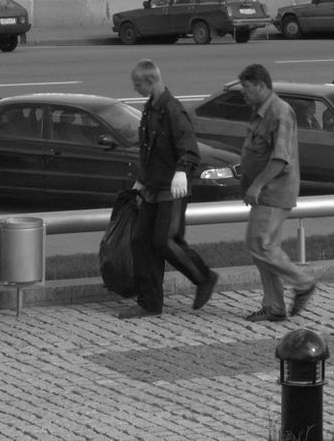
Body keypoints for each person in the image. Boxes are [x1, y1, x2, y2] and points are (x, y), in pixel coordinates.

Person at [118, 60, 219, 319]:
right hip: (153, 188)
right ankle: (150, 302)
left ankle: (204, 278)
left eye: (137, 83)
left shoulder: (172, 110)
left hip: (172, 191)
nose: (134, 88)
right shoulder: (150, 109)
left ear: (150, 81)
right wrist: (141, 180)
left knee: (166, 241)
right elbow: (148, 151)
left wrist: (182, 172)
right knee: (142, 243)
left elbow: (189, 148)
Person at [237, 63, 316, 322]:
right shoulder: (262, 111)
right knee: (262, 249)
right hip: (265, 192)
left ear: (261, 85)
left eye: (246, 88)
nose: (243, 94)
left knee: (260, 245)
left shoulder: (280, 112)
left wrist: (257, 184)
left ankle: (303, 282)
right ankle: (274, 307)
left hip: (273, 191)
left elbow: (281, 159)